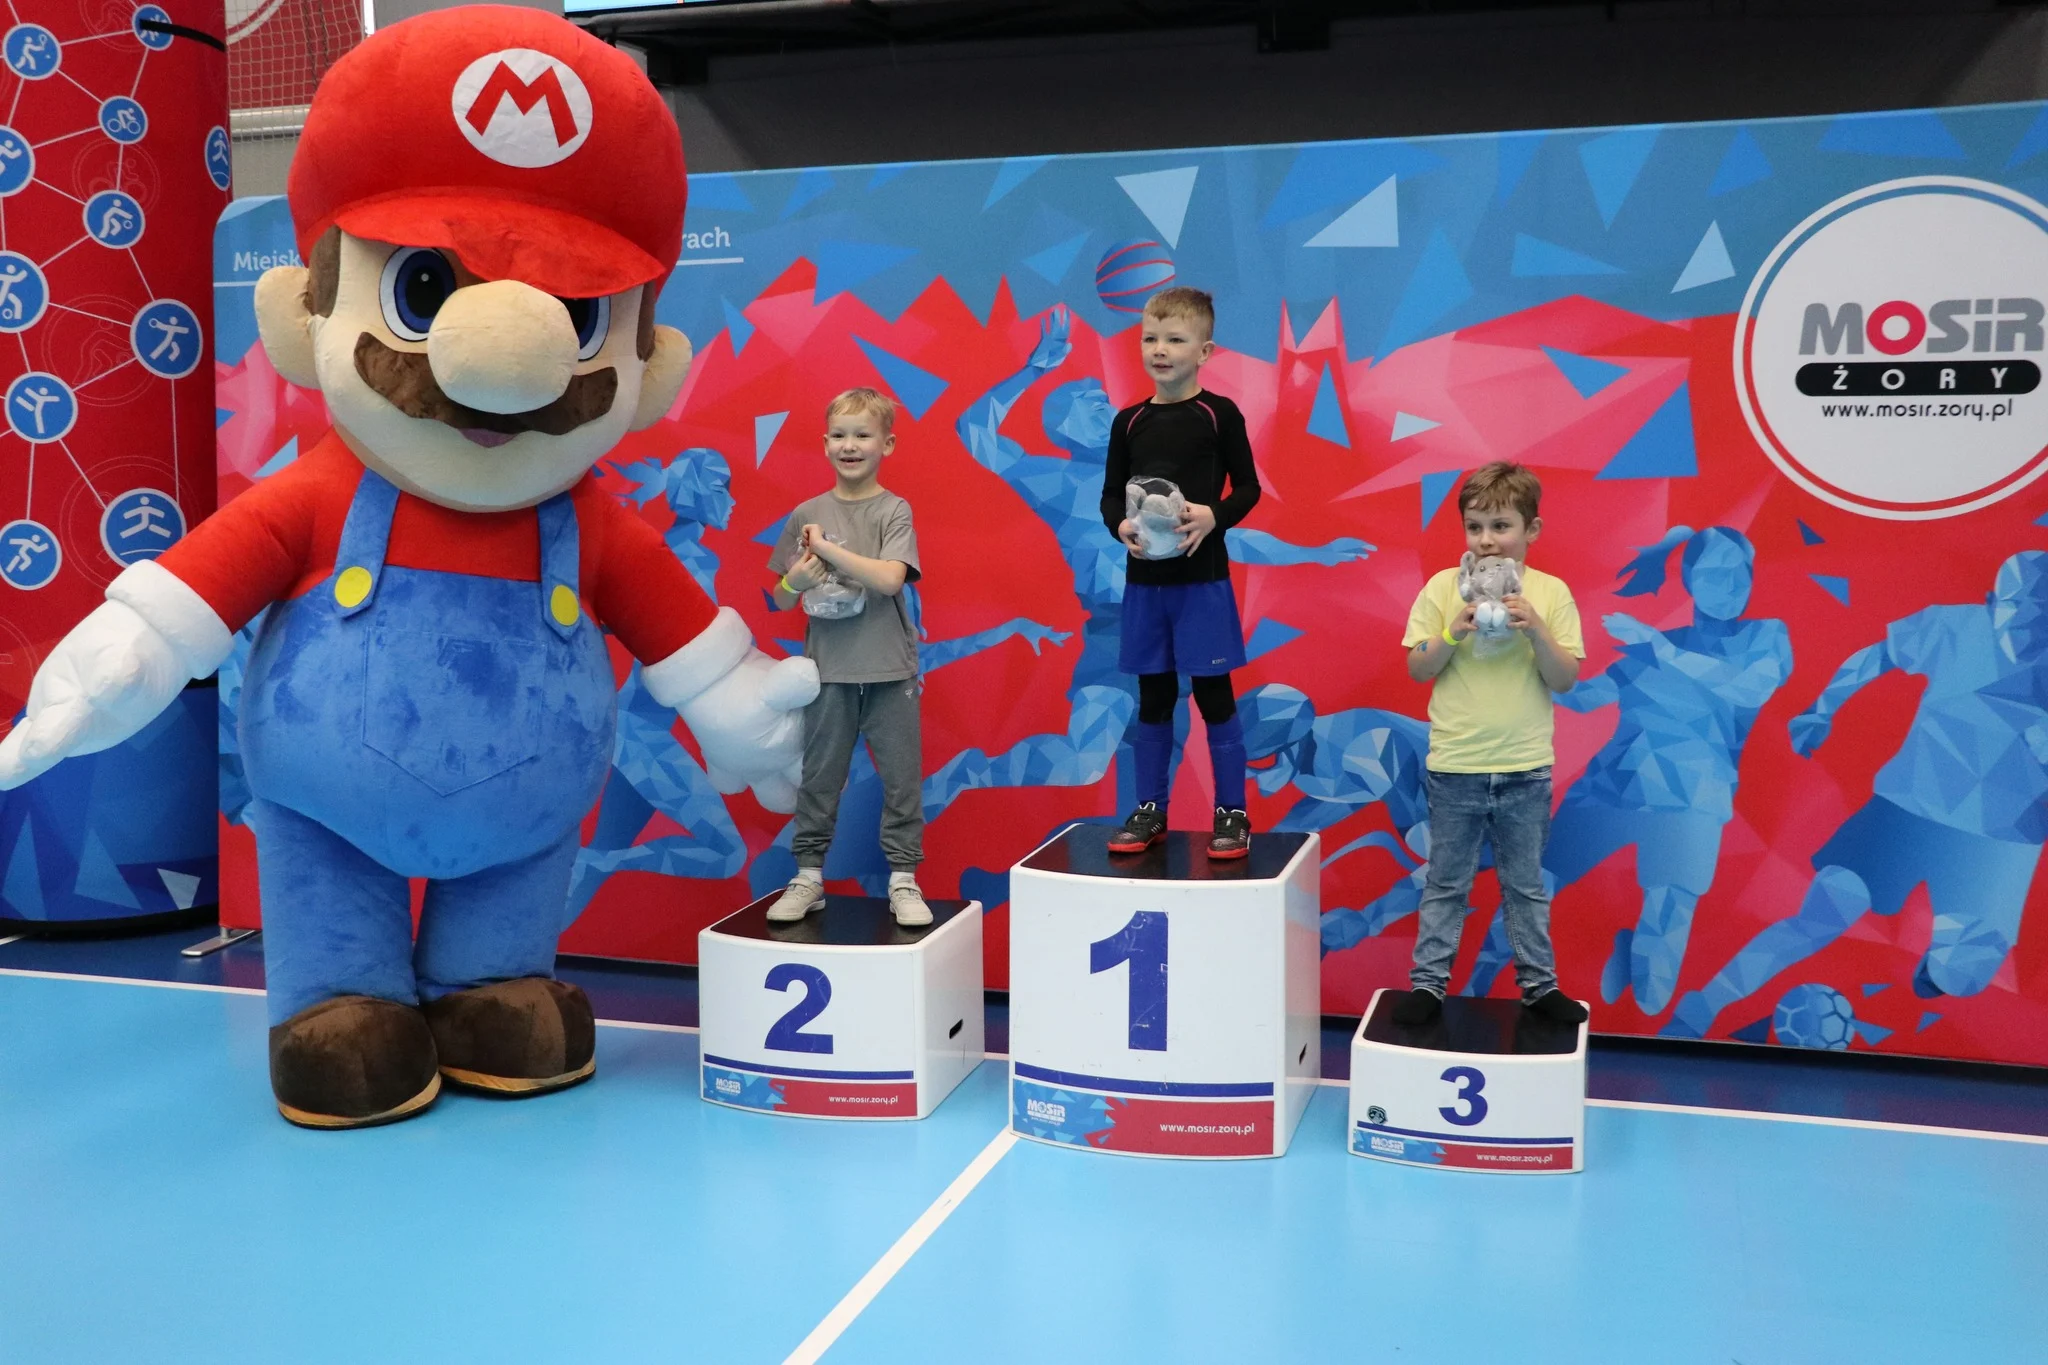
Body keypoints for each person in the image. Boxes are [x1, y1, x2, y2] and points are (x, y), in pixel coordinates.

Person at [1392, 462, 1588, 1025]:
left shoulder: (1551, 592)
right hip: (1456, 765)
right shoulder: (1441, 588)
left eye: (1501, 526)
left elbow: (1564, 679)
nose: (1486, 540)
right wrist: (1454, 629)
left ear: (1531, 530)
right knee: (1446, 882)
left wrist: (1536, 629)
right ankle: (1428, 985)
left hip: (1526, 766)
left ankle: (1540, 987)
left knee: (1525, 886)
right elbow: (1417, 668)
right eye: (1474, 527)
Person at [1099, 287, 1261, 859]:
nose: (1160, 350)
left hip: (1203, 586)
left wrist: (1213, 515)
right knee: (1154, 699)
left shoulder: (1220, 414)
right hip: (1146, 588)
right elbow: (1111, 496)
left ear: (1204, 351)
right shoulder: (1129, 421)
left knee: (1214, 696)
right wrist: (1121, 526)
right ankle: (1150, 809)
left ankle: (1232, 812)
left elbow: (1248, 488)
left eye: (1174, 339)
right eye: (1150, 338)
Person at [765, 388, 931, 927]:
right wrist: (794, 580)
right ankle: (808, 876)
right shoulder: (806, 514)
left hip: (890, 670)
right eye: (839, 435)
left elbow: (889, 579)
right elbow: (780, 598)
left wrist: (826, 549)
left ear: (888, 444)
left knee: (902, 780)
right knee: (819, 777)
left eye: (862, 435)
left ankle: (903, 878)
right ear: (825, 442)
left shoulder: (894, 510)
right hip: (829, 672)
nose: (850, 445)